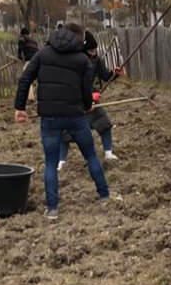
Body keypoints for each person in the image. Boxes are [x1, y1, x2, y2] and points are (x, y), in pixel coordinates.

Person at [14, 22, 109, 219]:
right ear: (79, 39)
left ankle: (52, 209)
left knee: (50, 162)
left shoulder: (42, 54)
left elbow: (25, 79)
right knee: (90, 155)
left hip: (49, 117)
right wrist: (88, 104)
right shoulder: (82, 60)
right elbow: (86, 90)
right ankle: (104, 195)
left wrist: (20, 108)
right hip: (75, 116)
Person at [57, 31, 124, 170]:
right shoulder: (75, 61)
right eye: (91, 50)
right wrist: (88, 95)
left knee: (104, 124)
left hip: (93, 101)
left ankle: (108, 152)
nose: (94, 52)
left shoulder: (96, 60)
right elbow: (72, 83)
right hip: (75, 103)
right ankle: (61, 161)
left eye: (95, 50)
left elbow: (105, 76)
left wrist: (114, 74)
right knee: (65, 132)